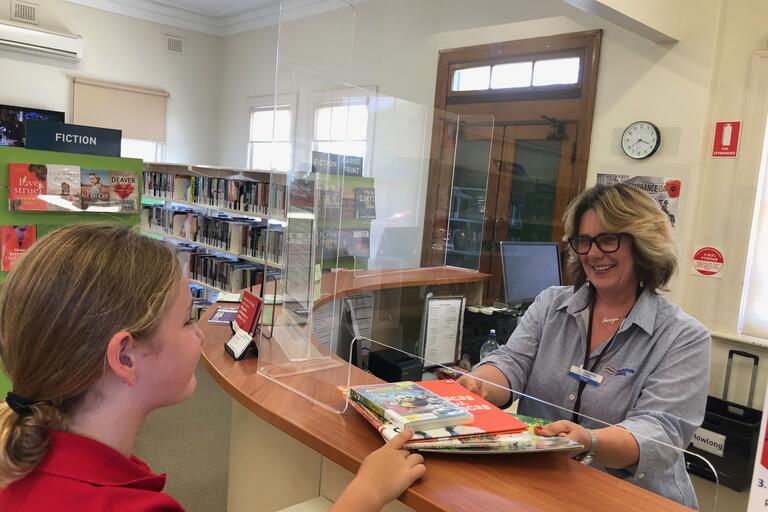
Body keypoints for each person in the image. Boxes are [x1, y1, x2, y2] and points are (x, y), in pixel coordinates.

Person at [0, 223, 426, 510]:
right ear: (125, 356)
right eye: (187, 320)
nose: (201, 334)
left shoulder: (30, 463)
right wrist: (365, 494)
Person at [458, 183, 710, 509]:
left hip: (632, 499)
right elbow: (512, 361)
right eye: (584, 241)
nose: (592, 253)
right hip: (543, 485)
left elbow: (660, 432)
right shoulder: (551, 304)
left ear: (643, 244)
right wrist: (480, 384)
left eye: (607, 239)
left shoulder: (683, 336)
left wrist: (588, 441)